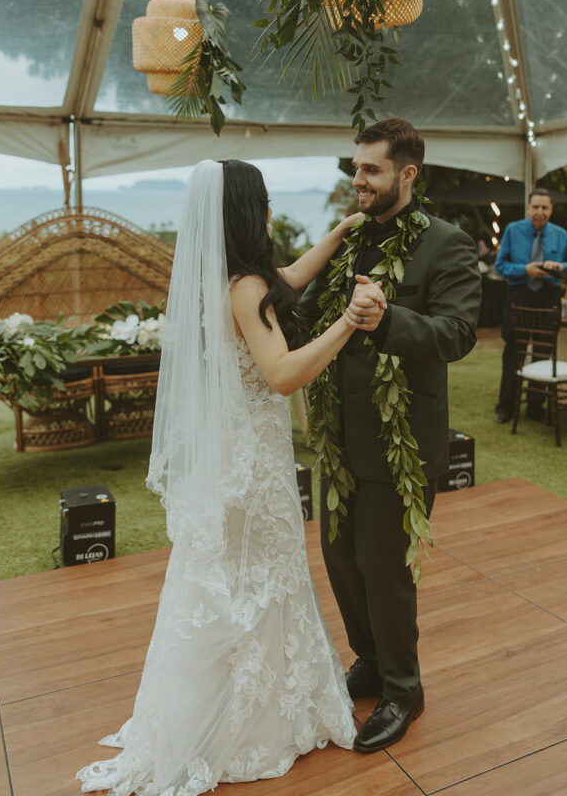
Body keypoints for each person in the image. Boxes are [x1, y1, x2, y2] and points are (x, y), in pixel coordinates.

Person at [77, 159, 387, 794]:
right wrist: (350, 323)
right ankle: (249, 724)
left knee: (228, 584)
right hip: (254, 472)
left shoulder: (217, 280)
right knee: (260, 585)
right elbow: (281, 373)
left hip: (233, 459)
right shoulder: (245, 286)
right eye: (265, 202)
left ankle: (220, 711)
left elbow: (285, 283)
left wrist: (335, 236)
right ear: (250, 211)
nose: (271, 212)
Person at [300, 118, 481, 755]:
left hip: (400, 439)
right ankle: (371, 660)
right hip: (337, 434)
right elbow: (312, 311)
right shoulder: (350, 241)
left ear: (407, 173)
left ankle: (404, 687)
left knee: (385, 571)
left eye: (371, 170)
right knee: (340, 560)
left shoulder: (449, 245)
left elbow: (456, 335)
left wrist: (388, 319)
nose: (359, 181)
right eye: (356, 169)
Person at [493, 189, 567, 424]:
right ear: (528, 208)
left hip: (548, 296)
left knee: (543, 352)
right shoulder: (513, 230)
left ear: (551, 210)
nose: (540, 212)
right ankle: (506, 406)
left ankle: (535, 406)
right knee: (515, 351)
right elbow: (500, 266)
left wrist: (561, 267)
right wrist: (524, 269)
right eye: (535, 207)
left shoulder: (560, 234)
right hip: (519, 295)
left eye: (544, 208)